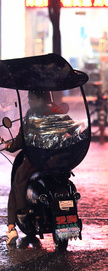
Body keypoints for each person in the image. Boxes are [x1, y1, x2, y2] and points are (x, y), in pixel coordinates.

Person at [5, 91, 52, 245]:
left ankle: (19, 216)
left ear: (39, 98)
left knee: (18, 182)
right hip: (55, 159)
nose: (29, 101)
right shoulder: (55, 112)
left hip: (36, 159)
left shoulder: (31, 116)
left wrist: (9, 146)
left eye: (31, 98)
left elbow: (20, 142)